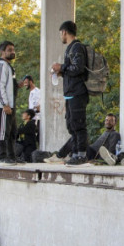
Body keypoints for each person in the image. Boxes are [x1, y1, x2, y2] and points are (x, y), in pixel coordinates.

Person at [51, 21, 89, 166]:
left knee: (79, 124)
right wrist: (61, 72)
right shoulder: (70, 49)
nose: (61, 36)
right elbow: (72, 70)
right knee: (71, 124)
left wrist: (62, 66)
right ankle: (74, 153)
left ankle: (81, 155)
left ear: (64, 32)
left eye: (61, 33)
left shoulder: (77, 47)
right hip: (70, 92)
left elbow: (78, 68)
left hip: (78, 92)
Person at [49, 112, 122, 165]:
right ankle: (64, 156)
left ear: (115, 123)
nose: (108, 122)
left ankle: (59, 156)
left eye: (111, 120)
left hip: (92, 154)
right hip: (90, 150)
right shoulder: (105, 132)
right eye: (106, 120)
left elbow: (112, 151)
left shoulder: (115, 134)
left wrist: (101, 159)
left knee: (78, 137)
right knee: (75, 138)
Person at [0, 41, 19, 164]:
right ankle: (3, 155)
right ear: (2, 52)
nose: (13, 52)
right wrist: (4, 104)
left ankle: (12, 155)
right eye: (9, 50)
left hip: (10, 104)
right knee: (3, 132)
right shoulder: (1, 65)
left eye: (13, 49)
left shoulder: (8, 66)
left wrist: (18, 85)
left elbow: (8, 85)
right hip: (4, 105)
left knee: (12, 131)